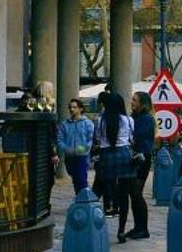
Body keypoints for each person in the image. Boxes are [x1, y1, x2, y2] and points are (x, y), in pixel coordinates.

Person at [94, 89, 132, 226]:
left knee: (107, 181)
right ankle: (121, 219)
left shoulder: (100, 121)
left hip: (106, 153)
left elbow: (98, 138)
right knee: (123, 187)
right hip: (123, 153)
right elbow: (131, 138)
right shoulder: (128, 120)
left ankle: (108, 207)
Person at [121, 94, 153, 241]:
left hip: (142, 158)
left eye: (134, 100)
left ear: (142, 103)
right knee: (133, 193)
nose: (131, 102)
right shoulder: (135, 117)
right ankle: (138, 226)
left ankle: (143, 228)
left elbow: (137, 135)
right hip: (135, 157)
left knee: (136, 193)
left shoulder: (145, 119)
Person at [57, 98, 95, 193]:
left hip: (82, 156)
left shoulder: (88, 123)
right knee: (76, 180)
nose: (72, 109)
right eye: (70, 107)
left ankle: (84, 201)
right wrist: (67, 149)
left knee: (82, 180)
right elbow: (60, 139)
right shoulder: (64, 124)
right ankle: (80, 200)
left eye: (74, 107)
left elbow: (90, 139)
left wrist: (83, 150)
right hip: (69, 157)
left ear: (80, 109)